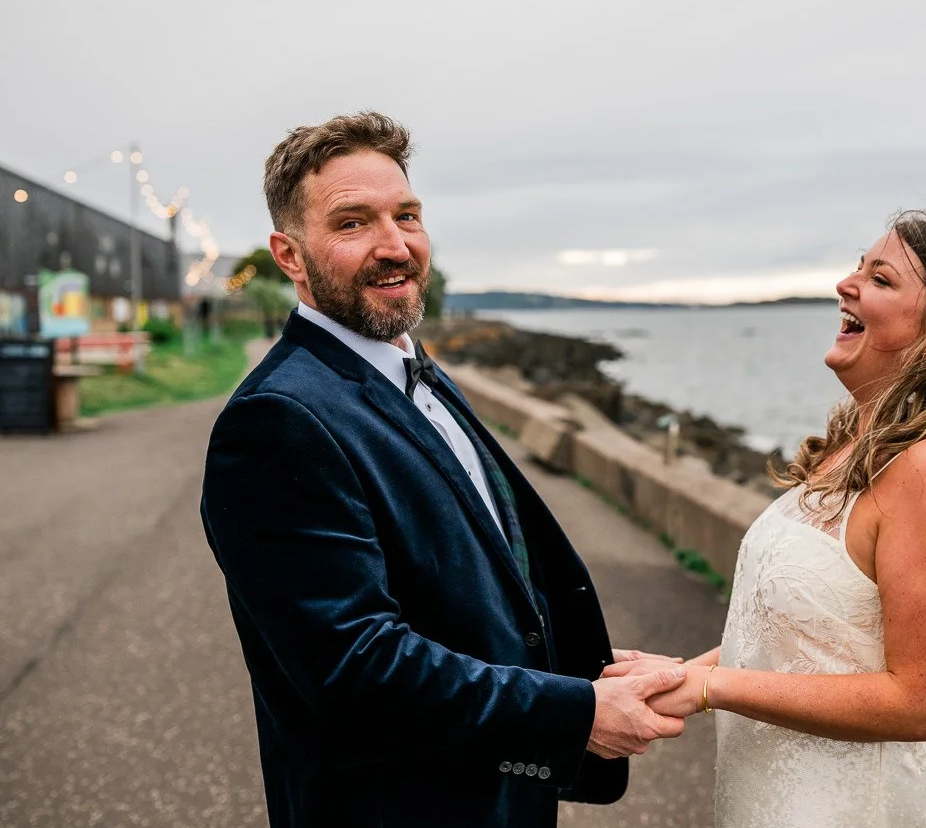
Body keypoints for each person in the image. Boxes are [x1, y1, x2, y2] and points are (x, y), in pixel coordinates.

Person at [200, 112, 687, 828]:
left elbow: (470, 577)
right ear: (290, 255)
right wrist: (573, 713)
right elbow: (355, 667)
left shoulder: (411, 366)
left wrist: (585, 662)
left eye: (408, 215)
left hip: (491, 794)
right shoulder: (276, 423)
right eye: (353, 223)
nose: (395, 246)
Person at [605, 209, 926, 827]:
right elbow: (805, 638)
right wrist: (681, 675)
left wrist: (714, 690)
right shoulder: (860, 442)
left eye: (880, 280)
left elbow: (916, 702)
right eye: (858, 268)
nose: (845, 285)